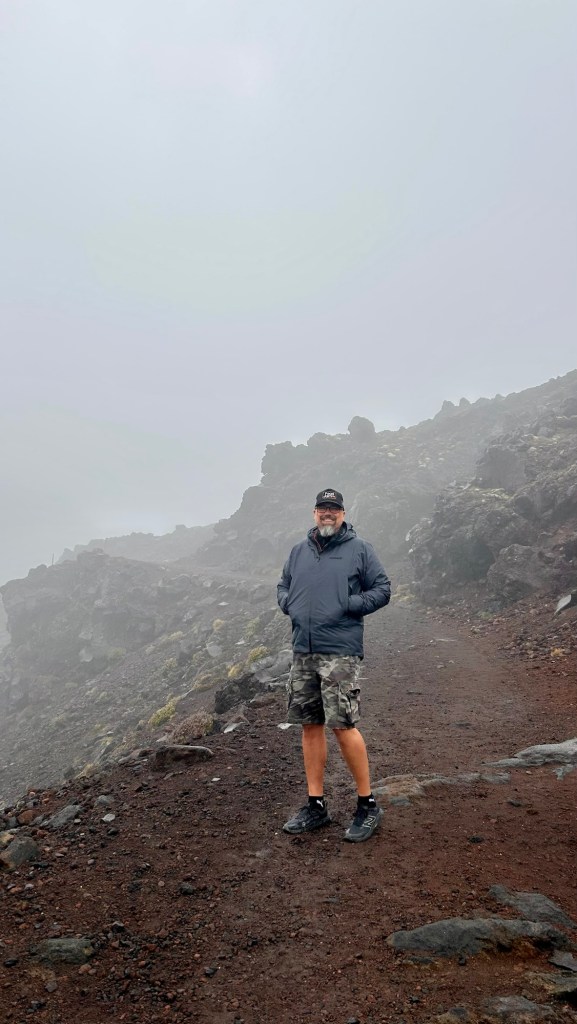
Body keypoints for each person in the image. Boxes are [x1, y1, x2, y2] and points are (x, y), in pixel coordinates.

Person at [277, 488, 391, 842]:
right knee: (310, 725)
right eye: (322, 508)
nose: (328, 513)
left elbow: (382, 588)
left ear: (343, 514)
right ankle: (316, 805)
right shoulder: (299, 551)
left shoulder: (360, 549)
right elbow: (283, 585)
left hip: (340, 650)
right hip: (304, 649)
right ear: (314, 513)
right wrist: (289, 604)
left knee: (342, 724)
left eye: (334, 509)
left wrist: (348, 604)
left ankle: (367, 804)